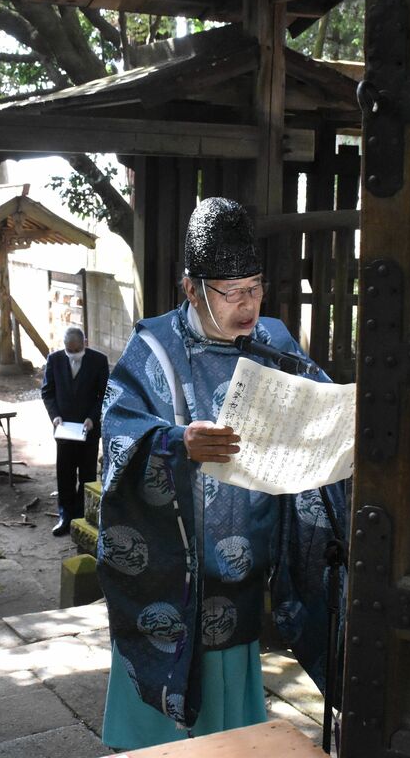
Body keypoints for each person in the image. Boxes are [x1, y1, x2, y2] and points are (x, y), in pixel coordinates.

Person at [97, 197, 346, 750]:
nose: (248, 306)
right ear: (191, 288)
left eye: (255, 287)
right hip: (177, 569)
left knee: (236, 695)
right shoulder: (154, 349)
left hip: (245, 557)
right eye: (231, 292)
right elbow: (115, 437)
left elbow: (321, 408)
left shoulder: (275, 343)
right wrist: (175, 442)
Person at [41, 327, 109, 536]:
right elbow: (47, 391)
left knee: (87, 472)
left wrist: (92, 417)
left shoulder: (99, 360)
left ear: (85, 343)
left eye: (76, 350)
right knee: (65, 473)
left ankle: (82, 513)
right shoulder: (54, 360)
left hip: (88, 427)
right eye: (69, 351)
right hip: (63, 428)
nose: (72, 354)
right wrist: (55, 417)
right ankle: (65, 515)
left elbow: (104, 394)